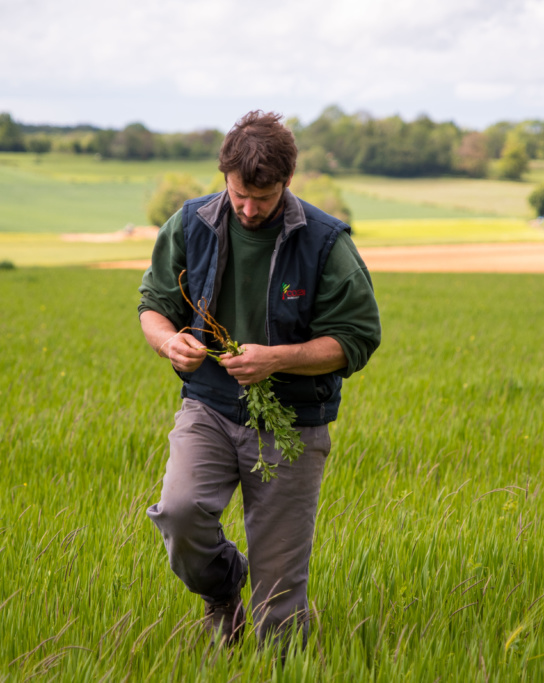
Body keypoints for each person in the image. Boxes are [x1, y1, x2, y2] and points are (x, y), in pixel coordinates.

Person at [138, 110, 380, 649]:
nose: (248, 209)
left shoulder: (324, 242)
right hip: (209, 407)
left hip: (292, 420)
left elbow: (356, 338)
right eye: (239, 195)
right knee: (179, 515)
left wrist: (276, 359)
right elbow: (153, 306)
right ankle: (224, 590)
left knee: (279, 600)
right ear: (224, 176)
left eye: (263, 199)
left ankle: (277, 661)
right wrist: (169, 342)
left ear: (287, 181)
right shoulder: (192, 223)